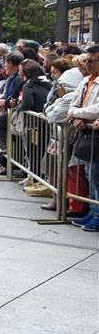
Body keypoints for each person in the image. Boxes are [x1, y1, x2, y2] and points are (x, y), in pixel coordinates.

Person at [68, 45, 99, 231]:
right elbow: (73, 103)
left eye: (91, 61)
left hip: (95, 134)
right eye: (86, 60)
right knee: (89, 174)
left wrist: (78, 113)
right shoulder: (85, 80)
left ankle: (97, 214)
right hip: (86, 134)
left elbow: (96, 108)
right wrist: (77, 116)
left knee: (96, 176)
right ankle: (93, 211)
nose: (87, 64)